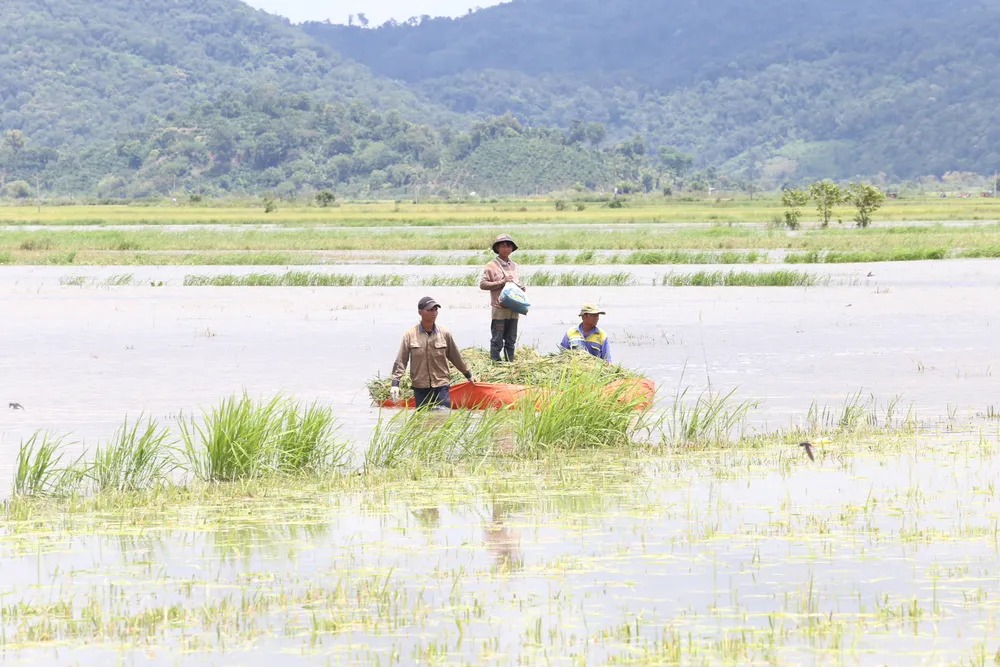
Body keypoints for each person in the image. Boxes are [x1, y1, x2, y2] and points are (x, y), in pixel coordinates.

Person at [391, 296, 476, 409]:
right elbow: (401, 360)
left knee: (443, 415)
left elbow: (455, 357)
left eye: (435, 309)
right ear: (420, 312)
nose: (434, 313)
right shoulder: (410, 335)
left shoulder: (445, 333)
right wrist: (395, 384)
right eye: (430, 310)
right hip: (420, 386)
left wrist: (468, 375)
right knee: (422, 418)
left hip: (441, 385)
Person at [479, 233, 525, 362]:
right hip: (499, 308)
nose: (506, 248)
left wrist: (521, 288)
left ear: (512, 248)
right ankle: (495, 363)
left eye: (509, 246)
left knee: (511, 339)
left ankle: (510, 363)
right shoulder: (491, 265)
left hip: (514, 308)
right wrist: (501, 282)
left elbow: (516, 283)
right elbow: (483, 284)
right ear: (497, 248)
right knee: (497, 339)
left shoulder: (514, 265)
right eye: (503, 246)